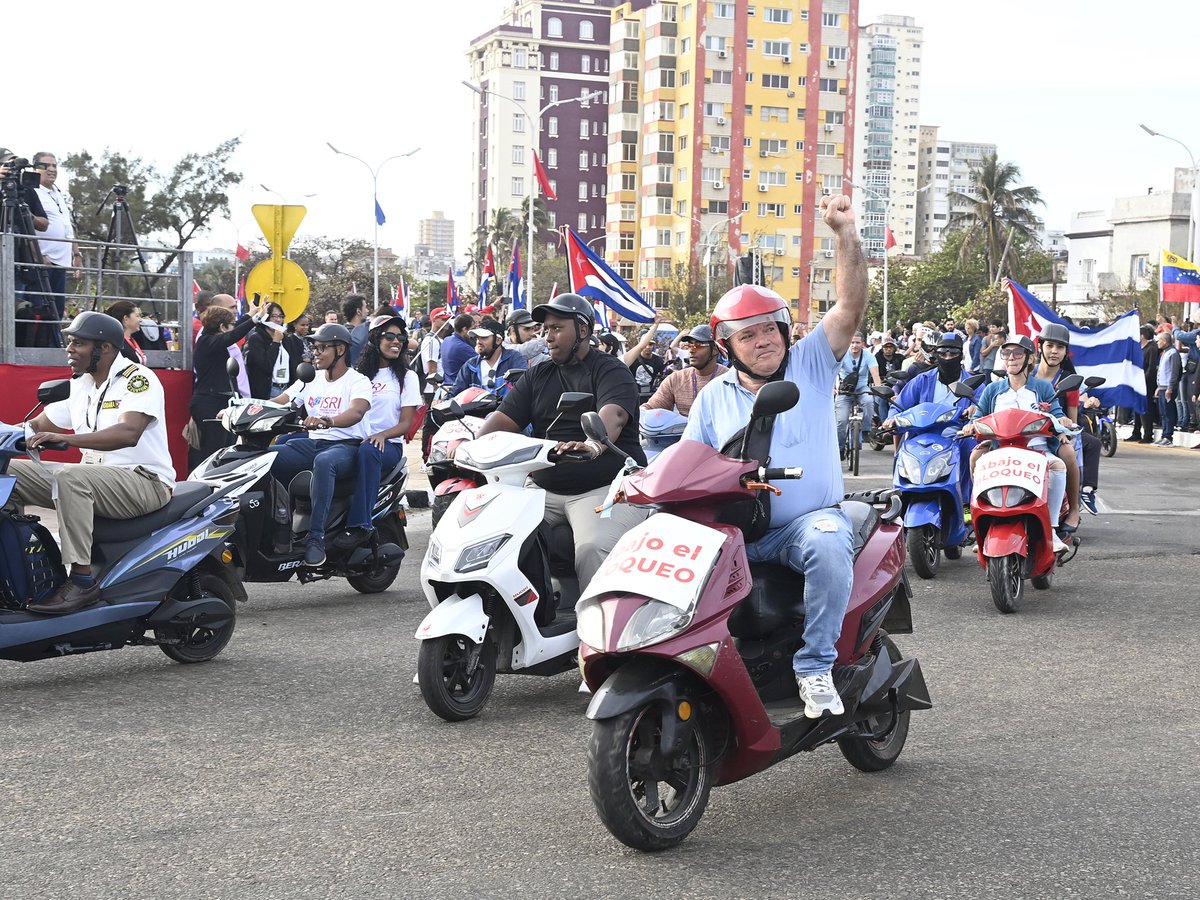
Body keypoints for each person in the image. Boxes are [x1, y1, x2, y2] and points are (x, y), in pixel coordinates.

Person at [683, 192, 867, 719]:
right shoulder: (713, 396)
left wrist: (844, 234)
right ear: (728, 345)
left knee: (829, 543)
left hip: (805, 524)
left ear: (786, 330)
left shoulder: (811, 362)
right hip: (736, 532)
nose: (764, 340)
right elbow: (691, 460)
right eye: (749, 334)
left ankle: (814, 667)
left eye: (770, 328)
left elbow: (850, 305)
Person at [476, 293, 648, 589]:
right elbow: (501, 423)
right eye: (545, 329)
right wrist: (474, 445)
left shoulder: (610, 369)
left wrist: (593, 444)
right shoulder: (537, 375)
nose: (547, 337)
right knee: (495, 539)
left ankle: (598, 630)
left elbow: (613, 416)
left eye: (556, 328)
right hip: (543, 486)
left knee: (592, 548)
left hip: (603, 488)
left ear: (582, 330)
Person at [7, 312, 174, 614]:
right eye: (69, 342)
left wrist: (69, 441)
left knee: (70, 476)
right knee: (8, 471)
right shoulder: (81, 385)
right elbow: (32, 426)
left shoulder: (138, 379)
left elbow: (128, 433)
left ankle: (82, 581)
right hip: (95, 479)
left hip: (143, 482)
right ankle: (14, 564)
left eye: (78, 343)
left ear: (105, 348)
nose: (69, 349)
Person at [268, 323, 373, 566]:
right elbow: (280, 401)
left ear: (341, 349)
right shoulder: (310, 379)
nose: (316, 353)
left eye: (323, 348)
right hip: (313, 443)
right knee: (265, 458)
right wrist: (243, 407)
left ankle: (316, 538)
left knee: (324, 462)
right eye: (315, 348)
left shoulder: (358, 381)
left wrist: (328, 421)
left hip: (346, 446)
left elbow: (356, 412)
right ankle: (278, 530)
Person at [964, 335, 1074, 552]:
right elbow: (978, 417)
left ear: (1030, 358)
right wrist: (971, 426)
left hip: (1036, 451)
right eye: (1006, 353)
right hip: (1000, 450)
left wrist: (1063, 422)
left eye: (1017, 353)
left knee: (1058, 466)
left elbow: (1058, 414)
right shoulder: (992, 390)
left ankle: (1051, 529)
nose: (1011, 358)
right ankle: (980, 526)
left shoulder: (1042, 388)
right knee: (974, 457)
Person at [337, 314, 422, 549]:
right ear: (375, 339)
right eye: (390, 336)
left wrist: (382, 435)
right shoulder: (357, 375)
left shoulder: (408, 377)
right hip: (353, 441)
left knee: (368, 450)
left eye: (401, 337)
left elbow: (406, 423)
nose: (397, 341)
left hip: (386, 446)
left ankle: (359, 525)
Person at [884, 333, 978, 499]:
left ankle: (965, 502)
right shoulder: (922, 380)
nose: (947, 358)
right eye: (942, 353)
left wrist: (973, 414)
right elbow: (899, 404)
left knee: (971, 448)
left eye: (953, 354)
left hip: (957, 437)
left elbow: (982, 407)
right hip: (923, 435)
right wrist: (891, 418)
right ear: (937, 354)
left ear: (960, 355)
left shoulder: (973, 382)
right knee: (902, 452)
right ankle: (898, 498)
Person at [1033, 323, 1101, 515]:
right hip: (1027, 433)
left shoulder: (1069, 380)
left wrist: (1065, 430)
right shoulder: (1027, 374)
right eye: (1050, 346)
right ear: (1040, 347)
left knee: (1072, 450)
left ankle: (1075, 506)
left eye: (1060, 347)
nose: (1054, 351)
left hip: (1058, 434)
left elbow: (1072, 420)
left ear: (1066, 352)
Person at [189, 300, 265, 467]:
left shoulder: (213, 340)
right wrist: (254, 320)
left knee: (224, 448)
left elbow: (233, 331)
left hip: (221, 402)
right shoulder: (206, 342)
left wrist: (250, 315)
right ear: (222, 327)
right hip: (209, 403)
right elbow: (232, 335)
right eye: (230, 325)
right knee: (210, 452)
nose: (233, 327)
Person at [32, 152, 79, 330]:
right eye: (46, 165)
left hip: (61, 262)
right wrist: (37, 255)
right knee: (40, 308)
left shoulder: (58, 193)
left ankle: (52, 344)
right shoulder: (32, 191)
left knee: (57, 309)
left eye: (54, 166)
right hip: (43, 260)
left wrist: (77, 253)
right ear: (35, 168)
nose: (52, 169)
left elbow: (67, 226)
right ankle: (39, 346)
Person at [642, 324, 728, 416]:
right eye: (690, 345)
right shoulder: (676, 379)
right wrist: (641, 412)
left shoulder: (731, 379)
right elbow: (650, 408)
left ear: (715, 349)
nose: (691, 350)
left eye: (698, 345)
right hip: (682, 429)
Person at [451, 318, 527, 395]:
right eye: (477, 338)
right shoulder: (470, 365)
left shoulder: (514, 358)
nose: (478, 342)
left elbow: (524, 388)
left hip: (507, 407)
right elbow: (455, 393)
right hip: (477, 407)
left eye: (484, 338)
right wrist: (442, 401)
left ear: (498, 340)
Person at [835, 332, 881, 457]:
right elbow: (833, 373)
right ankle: (840, 448)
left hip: (862, 388)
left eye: (857, 343)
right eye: (852, 342)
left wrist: (879, 390)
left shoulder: (869, 356)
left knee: (868, 401)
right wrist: (833, 388)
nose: (854, 345)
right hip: (845, 390)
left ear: (863, 344)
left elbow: (875, 375)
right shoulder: (842, 355)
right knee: (841, 421)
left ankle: (866, 430)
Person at [244, 302, 300, 399]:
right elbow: (266, 366)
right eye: (274, 316)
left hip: (286, 388)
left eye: (281, 316)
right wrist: (275, 342)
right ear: (266, 317)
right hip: (269, 390)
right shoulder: (256, 339)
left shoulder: (286, 338)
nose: (278, 320)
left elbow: (293, 365)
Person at [624, 314, 667, 401]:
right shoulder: (632, 359)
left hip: (651, 398)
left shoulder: (658, 360)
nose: (648, 347)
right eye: (646, 344)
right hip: (633, 397)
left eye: (651, 344)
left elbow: (663, 379)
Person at [1154, 330, 1181, 446]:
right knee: (1163, 413)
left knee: (1168, 412)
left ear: (1165, 341)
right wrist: (1159, 386)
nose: (1158, 343)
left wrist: (1170, 388)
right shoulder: (1165, 353)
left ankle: (1168, 436)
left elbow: (1174, 373)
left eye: (1159, 340)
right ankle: (1164, 435)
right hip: (1162, 387)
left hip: (1168, 388)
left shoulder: (1173, 353)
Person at [104, 300, 147, 365]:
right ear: (126, 319)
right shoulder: (118, 345)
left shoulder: (132, 340)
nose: (140, 320)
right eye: (137, 316)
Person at [440, 314, 477, 384]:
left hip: (447, 384)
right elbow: (482, 364)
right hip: (459, 388)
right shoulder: (462, 347)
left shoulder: (446, 340)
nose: (474, 332)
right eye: (472, 329)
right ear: (464, 329)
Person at [341, 294, 369, 365]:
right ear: (358, 311)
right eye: (365, 307)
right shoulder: (362, 336)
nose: (367, 311)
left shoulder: (341, 333)